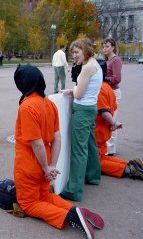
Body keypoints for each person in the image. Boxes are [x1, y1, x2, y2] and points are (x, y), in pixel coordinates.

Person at [13, 64, 104, 239]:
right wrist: (51, 165)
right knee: (44, 195)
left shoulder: (27, 106)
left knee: (28, 203)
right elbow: (57, 137)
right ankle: (74, 209)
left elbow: (36, 144)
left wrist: (46, 168)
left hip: (30, 161)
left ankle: (70, 216)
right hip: (46, 158)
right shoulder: (49, 104)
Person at [60, 38, 102, 202]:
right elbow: (85, 90)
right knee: (90, 144)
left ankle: (74, 190)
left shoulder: (87, 68)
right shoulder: (95, 64)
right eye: (73, 53)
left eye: (76, 52)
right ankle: (93, 176)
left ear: (85, 50)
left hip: (83, 110)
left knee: (79, 150)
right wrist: (73, 90)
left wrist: (73, 90)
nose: (74, 56)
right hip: (91, 108)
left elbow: (79, 94)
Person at [95, 80, 143, 180]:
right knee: (102, 157)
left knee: (95, 162)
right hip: (104, 130)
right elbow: (113, 108)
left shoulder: (98, 89)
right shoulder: (108, 87)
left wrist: (113, 123)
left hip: (98, 131)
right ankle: (130, 164)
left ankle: (128, 169)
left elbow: (105, 112)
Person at [101, 38, 123, 156]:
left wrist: (104, 79)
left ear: (113, 47)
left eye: (107, 46)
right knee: (107, 120)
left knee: (112, 119)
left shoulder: (116, 60)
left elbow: (117, 78)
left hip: (113, 92)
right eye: (103, 46)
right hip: (106, 93)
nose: (104, 48)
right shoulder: (106, 60)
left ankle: (110, 148)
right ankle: (108, 147)